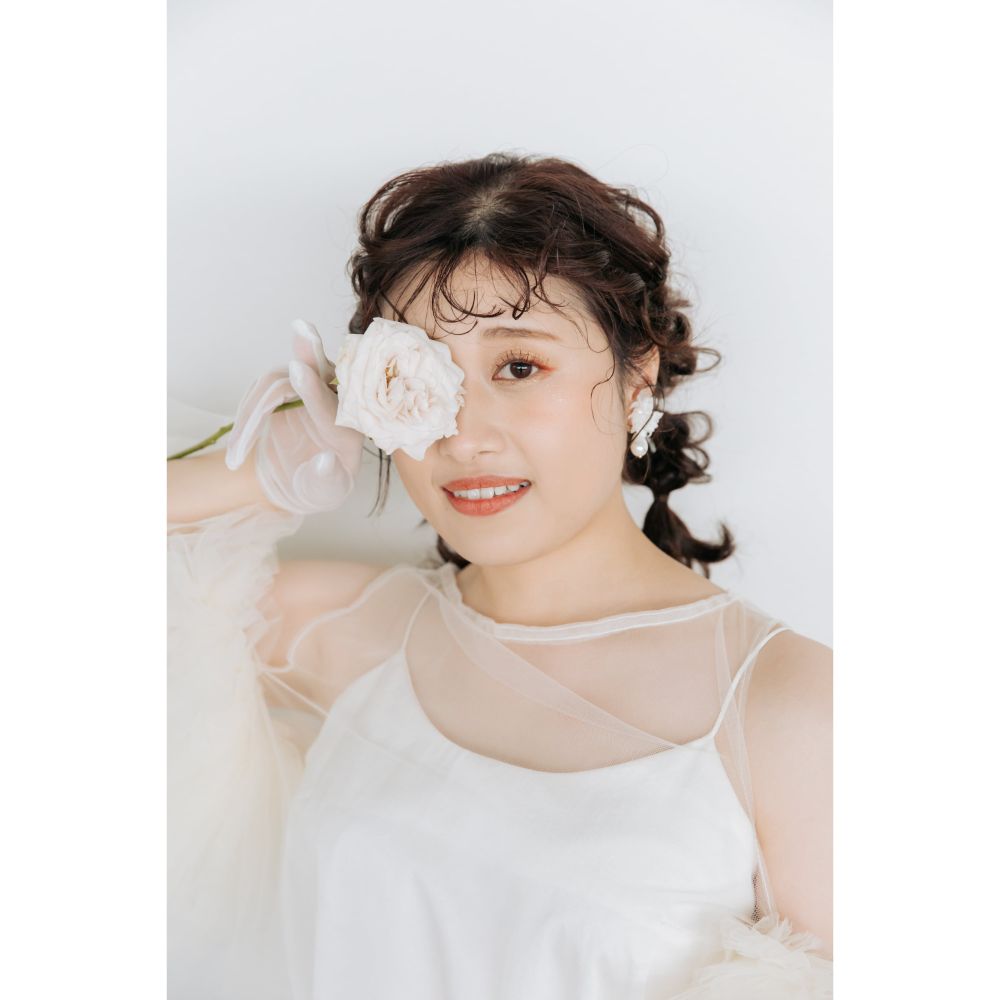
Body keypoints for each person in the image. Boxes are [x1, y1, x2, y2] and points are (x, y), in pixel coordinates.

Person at [167, 152, 832, 999]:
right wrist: (260, 476)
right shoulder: (338, 635)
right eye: (415, 378)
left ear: (637, 379)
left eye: (518, 368)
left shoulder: (786, 705)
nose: (463, 434)